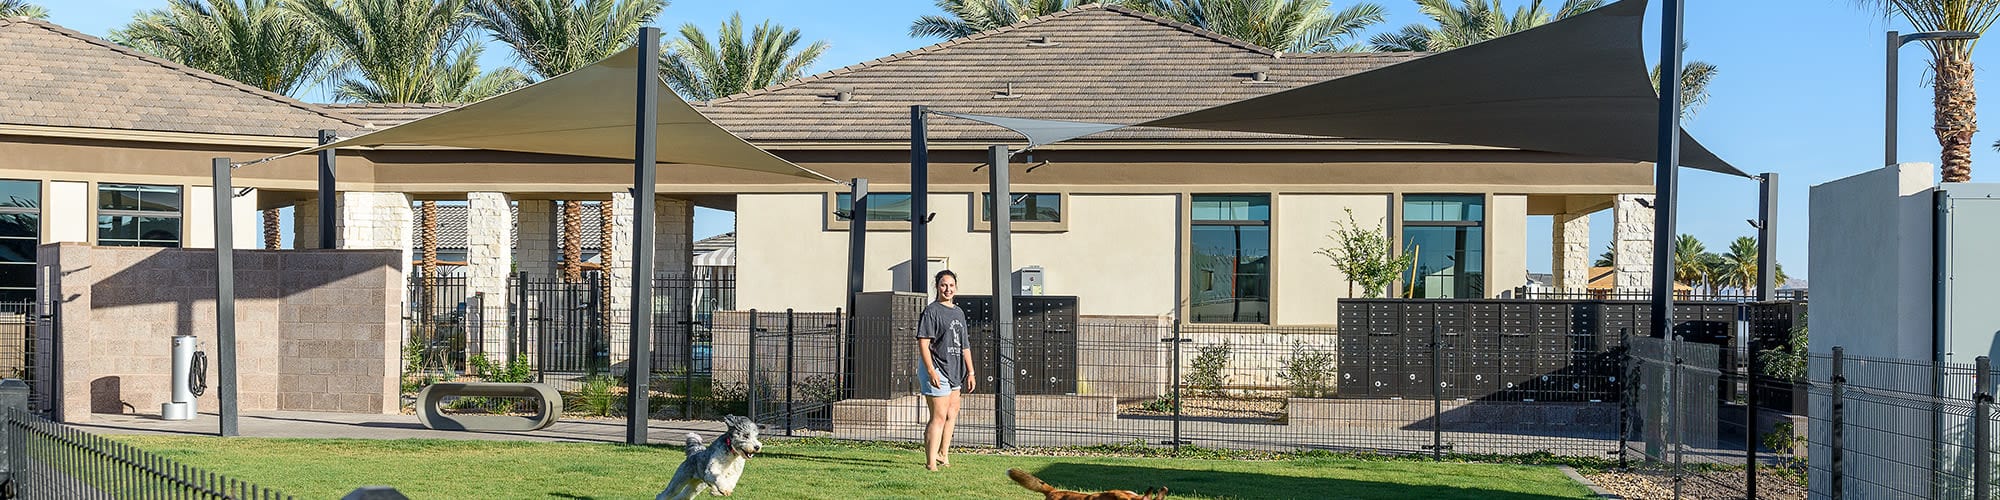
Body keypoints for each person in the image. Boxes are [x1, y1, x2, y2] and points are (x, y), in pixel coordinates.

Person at [916, 269, 973, 471]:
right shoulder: (931, 311)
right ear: (937, 287)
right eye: (943, 285)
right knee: (938, 416)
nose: (947, 289)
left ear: (955, 287)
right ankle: (931, 463)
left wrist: (971, 371)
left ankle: (943, 454)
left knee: (952, 413)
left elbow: (964, 344)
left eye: (951, 285)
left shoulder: (958, 312)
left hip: (955, 369)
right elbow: (923, 343)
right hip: (936, 367)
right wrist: (930, 370)